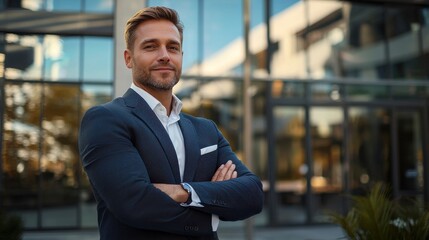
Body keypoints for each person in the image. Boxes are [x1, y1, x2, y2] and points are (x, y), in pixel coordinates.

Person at [78, 6, 264, 240]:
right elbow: (134, 203)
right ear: (128, 58)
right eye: (151, 46)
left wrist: (183, 192)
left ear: (181, 57)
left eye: (173, 47)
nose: (165, 54)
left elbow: (253, 194)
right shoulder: (106, 119)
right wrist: (212, 211)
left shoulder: (206, 130)